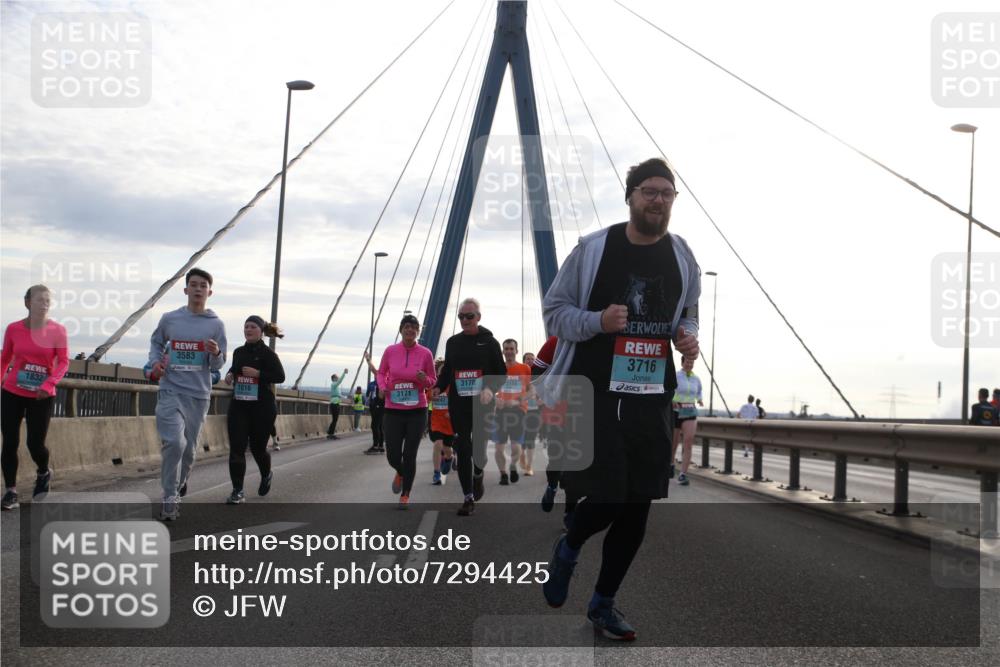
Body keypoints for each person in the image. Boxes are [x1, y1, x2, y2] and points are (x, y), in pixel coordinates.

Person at [536, 157, 700, 640]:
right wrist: (597, 322)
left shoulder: (683, 256)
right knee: (607, 497)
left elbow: (688, 315)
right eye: (649, 191)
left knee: (637, 508)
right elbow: (554, 313)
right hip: (595, 397)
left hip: (652, 399)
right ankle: (569, 546)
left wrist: (687, 337)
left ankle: (603, 604)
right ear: (629, 196)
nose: (658, 200)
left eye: (666, 193)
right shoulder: (592, 251)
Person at [147, 268, 227, 521]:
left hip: (199, 394)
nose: (198, 288)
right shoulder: (170, 319)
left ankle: (180, 484)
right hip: (171, 389)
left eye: (203, 285)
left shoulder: (216, 325)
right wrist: (156, 363)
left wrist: (215, 353)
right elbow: (156, 343)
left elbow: (217, 366)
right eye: (193, 284)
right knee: (174, 443)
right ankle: (170, 495)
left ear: (209, 292)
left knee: (189, 450)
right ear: (186, 290)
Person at [432, 297, 506, 517]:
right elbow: (447, 372)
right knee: (463, 446)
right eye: (461, 317)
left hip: (483, 402)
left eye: (469, 316)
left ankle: (478, 474)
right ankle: (468, 497)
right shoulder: (453, 343)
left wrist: (489, 389)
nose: (465, 320)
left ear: (478, 317)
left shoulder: (490, 342)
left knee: (479, 449)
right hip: (459, 403)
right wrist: (438, 386)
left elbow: (500, 374)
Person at [1, 285, 69, 510]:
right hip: (12, 391)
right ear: (27, 302)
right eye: (40, 300)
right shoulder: (13, 329)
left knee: (35, 444)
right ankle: (11, 491)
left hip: (41, 395)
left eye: (48, 300)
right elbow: (5, 358)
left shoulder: (58, 331)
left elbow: (64, 362)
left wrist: (49, 383)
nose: (45, 304)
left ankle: (43, 472)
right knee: (10, 442)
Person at [223, 316, 284, 504]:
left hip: (262, 407)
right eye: (246, 327)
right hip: (240, 405)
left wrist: (259, 374)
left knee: (258, 448)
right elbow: (235, 368)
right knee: (237, 448)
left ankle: (266, 474)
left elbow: (280, 376)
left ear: (261, 331)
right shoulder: (239, 351)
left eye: (252, 327)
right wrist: (230, 374)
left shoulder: (268, 354)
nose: (248, 330)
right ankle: (237, 491)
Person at [377, 314, 436, 508]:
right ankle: (400, 471)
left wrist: (423, 379)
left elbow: (432, 381)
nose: (410, 330)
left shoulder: (426, 353)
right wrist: (382, 387)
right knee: (393, 455)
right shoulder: (390, 351)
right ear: (400, 330)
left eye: (413, 327)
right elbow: (381, 373)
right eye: (406, 326)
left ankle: (406, 494)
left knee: (410, 454)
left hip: (417, 411)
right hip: (393, 410)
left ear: (418, 331)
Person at [532, 336, 578, 531]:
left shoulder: (598, 340)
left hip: (583, 413)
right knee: (557, 460)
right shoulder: (555, 342)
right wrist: (546, 395)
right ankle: (552, 486)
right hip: (556, 411)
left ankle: (570, 513)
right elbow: (535, 373)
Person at [493, 339, 531, 485]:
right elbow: (490, 389)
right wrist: (495, 400)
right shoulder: (497, 368)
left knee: (516, 447)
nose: (509, 351)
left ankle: (513, 465)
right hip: (500, 411)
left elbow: (530, 391)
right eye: (506, 349)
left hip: (518, 411)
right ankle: (503, 474)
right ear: (503, 351)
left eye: (511, 348)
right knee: (499, 447)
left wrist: (518, 401)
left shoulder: (525, 369)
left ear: (516, 351)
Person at [670, 356, 703, 486]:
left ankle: (683, 474)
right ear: (682, 362)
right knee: (673, 443)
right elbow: (670, 389)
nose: (689, 364)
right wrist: (672, 400)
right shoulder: (677, 376)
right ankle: (671, 463)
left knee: (688, 442)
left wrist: (699, 399)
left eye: (691, 362)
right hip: (676, 411)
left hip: (690, 411)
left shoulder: (696, 378)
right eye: (687, 362)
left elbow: (699, 392)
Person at [428, 357, 455, 485]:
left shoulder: (453, 386)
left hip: (449, 423)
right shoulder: (433, 386)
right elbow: (426, 399)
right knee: (438, 444)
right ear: (438, 373)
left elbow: (459, 402)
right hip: (436, 421)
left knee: (447, 448)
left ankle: (449, 458)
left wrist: (453, 411)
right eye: (441, 370)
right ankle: (436, 473)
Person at [363, 353, 385, 454]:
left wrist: (368, 359)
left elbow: (373, 369)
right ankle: (380, 446)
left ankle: (376, 446)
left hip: (379, 403)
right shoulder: (387, 376)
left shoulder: (382, 377)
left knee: (375, 426)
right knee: (380, 426)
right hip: (383, 404)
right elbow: (373, 368)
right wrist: (368, 359)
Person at [327, 368, 349, 439]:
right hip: (334, 404)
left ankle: (330, 432)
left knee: (335, 419)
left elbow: (339, 395)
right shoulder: (334, 384)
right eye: (336, 377)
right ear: (333, 378)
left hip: (336, 403)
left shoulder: (336, 386)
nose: (338, 378)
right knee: (335, 419)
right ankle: (331, 434)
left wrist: (346, 397)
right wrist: (344, 373)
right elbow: (340, 381)